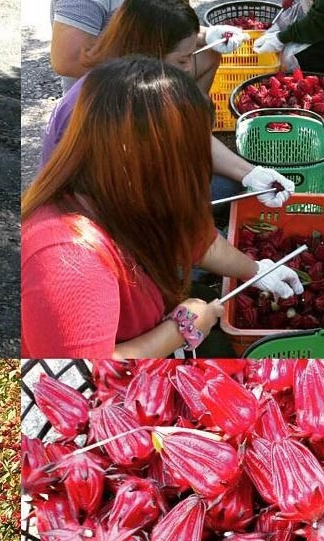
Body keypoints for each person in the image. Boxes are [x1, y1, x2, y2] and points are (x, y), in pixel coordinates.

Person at [21, 57, 304, 359]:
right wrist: (178, 331)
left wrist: (258, 270)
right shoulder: (67, 260)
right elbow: (82, 374)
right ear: (147, 159)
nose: (200, 167)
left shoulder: (127, 195)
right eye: (192, 152)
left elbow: (193, 240)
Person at [39, 0, 296, 210]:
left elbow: (186, 135)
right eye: (183, 60)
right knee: (195, 211)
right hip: (95, 215)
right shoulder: (125, 109)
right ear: (150, 54)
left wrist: (252, 174)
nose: (189, 67)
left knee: (228, 186)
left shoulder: (135, 83)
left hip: (127, 187)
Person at [50, 0, 244, 94]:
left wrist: (207, 35)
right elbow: (67, 61)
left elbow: (169, 23)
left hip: (150, 63)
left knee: (208, 55)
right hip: (103, 90)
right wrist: (149, 60)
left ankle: (190, 126)